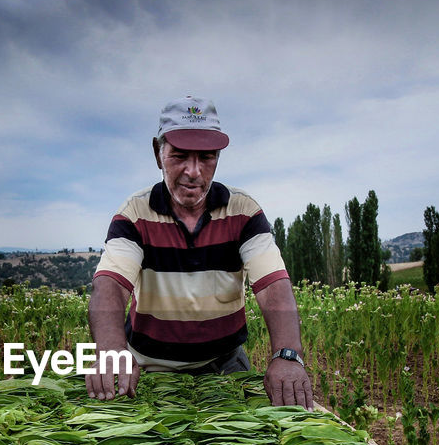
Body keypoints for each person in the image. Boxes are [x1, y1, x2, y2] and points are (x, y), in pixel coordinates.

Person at [86, 95, 314, 408]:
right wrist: (112, 351)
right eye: (180, 156)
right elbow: (110, 285)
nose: (193, 171)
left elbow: (273, 285)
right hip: (150, 368)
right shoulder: (135, 215)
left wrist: (288, 354)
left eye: (206, 157)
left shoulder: (243, 212)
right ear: (158, 152)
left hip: (225, 366)